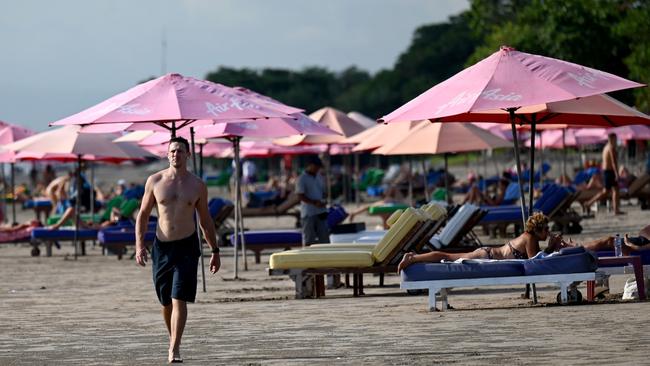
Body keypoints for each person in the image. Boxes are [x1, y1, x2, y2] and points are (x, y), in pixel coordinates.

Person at [134, 136, 221, 364]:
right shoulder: (155, 181)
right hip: (162, 248)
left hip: (187, 246)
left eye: (180, 151)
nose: (176, 155)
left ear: (188, 155)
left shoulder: (197, 185)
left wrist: (215, 250)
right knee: (166, 302)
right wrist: (139, 245)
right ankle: (173, 337)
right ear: (167, 154)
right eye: (172, 151)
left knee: (178, 298)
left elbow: (205, 220)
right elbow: (142, 215)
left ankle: (175, 348)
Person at [398, 212, 551, 273]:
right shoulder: (530, 238)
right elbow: (535, 263)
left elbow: (537, 259)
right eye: (545, 229)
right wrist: (551, 247)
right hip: (487, 256)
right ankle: (413, 258)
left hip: (488, 253)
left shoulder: (529, 237)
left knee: (448, 256)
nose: (548, 232)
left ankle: (414, 257)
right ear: (537, 230)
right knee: (447, 256)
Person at [585, 133, 624, 215]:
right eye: (615, 139)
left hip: (606, 171)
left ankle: (616, 209)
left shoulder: (605, 147)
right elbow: (614, 162)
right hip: (610, 171)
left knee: (614, 190)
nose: (616, 141)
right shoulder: (611, 148)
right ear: (612, 139)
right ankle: (589, 203)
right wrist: (617, 173)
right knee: (607, 191)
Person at [297, 155, 329, 245]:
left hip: (321, 211)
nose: (317, 169)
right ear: (310, 165)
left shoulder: (319, 177)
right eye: (316, 166)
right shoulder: (302, 178)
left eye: (319, 167)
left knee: (325, 237)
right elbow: (300, 196)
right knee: (309, 238)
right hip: (308, 212)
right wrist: (314, 202)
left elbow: (323, 192)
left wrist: (324, 199)